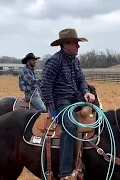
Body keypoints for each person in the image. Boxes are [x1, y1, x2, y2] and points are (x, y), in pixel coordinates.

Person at [40, 28, 95, 179]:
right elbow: (45, 85)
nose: (78, 46)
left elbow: (81, 79)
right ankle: (64, 172)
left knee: (95, 115)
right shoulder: (55, 61)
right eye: (76, 43)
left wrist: (86, 92)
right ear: (65, 45)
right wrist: (52, 108)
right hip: (61, 101)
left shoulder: (75, 61)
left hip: (75, 98)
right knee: (70, 126)